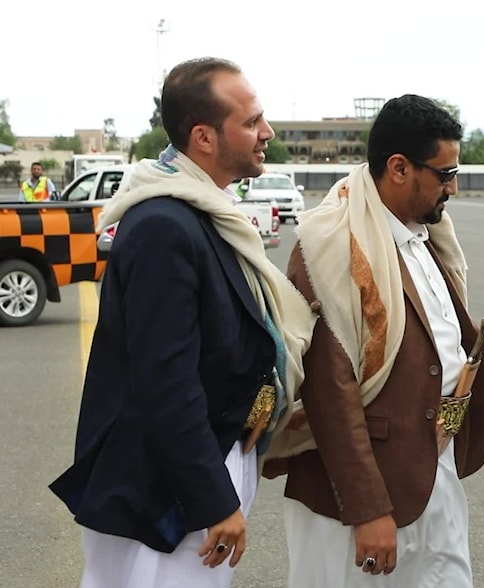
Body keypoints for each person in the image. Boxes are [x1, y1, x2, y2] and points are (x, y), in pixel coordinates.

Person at [49, 57, 315, 588]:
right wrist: (211, 499)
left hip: (205, 460)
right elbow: (165, 382)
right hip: (166, 487)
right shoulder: (164, 226)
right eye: (251, 122)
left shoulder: (206, 211)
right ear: (204, 137)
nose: (267, 132)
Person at [262, 94, 484, 587]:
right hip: (359, 502)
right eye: (444, 173)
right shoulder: (330, 246)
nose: (453, 186)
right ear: (398, 167)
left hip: (432, 475)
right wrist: (368, 510)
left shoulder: (430, 237)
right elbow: (330, 392)